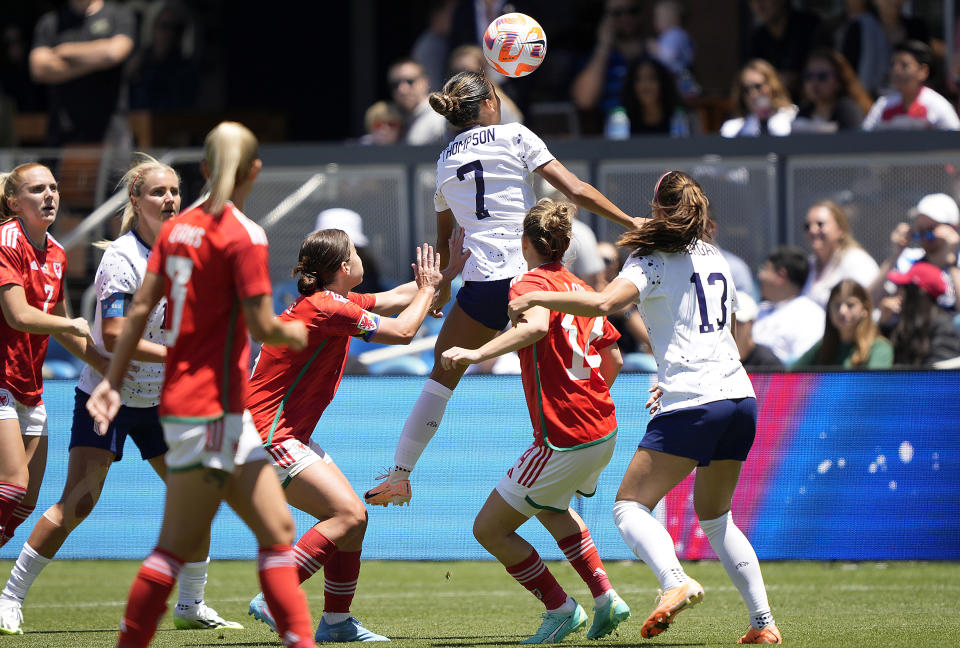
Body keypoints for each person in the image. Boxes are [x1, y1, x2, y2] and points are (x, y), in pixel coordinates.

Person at [506, 171, 781, 644]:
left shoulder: (650, 259)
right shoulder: (716, 258)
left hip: (694, 401)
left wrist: (535, 294)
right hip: (739, 397)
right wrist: (669, 379)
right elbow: (720, 332)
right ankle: (763, 624)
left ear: (658, 210)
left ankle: (674, 583)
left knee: (630, 507)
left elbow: (599, 303)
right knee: (717, 518)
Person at [85, 122, 317, 648]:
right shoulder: (244, 234)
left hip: (207, 409)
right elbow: (263, 326)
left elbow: (141, 307)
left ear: (205, 170)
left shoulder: (176, 231)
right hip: (211, 408)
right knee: (176, 544)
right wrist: (295, 329)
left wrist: (112, 382)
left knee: (277, 533)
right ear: (254, 171)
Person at [363, 70, 638, 507]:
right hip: (531, 279)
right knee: (602, 357)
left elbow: (444, 240)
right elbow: (576, 190)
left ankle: (399, 475)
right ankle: (585, 464)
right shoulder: (515, 136)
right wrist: (630, 222)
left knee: (440, 379)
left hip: (480, 285)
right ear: (490, 103)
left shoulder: (444, 162)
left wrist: (443, 290)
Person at [0, 157, 243, 636]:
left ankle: (191, 604)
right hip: (108, 399)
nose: (170, 200)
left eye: (174, 191)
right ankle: (10, 599)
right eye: (158, 192)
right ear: (135, 201)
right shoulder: (123, 259)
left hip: (159, 400)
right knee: (78, 503)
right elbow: (112, 336)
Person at [246, 230, 466, 642]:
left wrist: (446, 275)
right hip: (268, 435)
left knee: (355, 522)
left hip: (281, 433)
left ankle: (336, 623)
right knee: (346, 516)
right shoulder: (328, 307)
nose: (361, 255)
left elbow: (399, 298)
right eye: (354, 252)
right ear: (345, 268)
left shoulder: (333, 302)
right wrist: (429, 293)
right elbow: (403, 331)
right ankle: (275, 594)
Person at [440, 199, 630, 643]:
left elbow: (537, 327)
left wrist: (474, 353)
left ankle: (561, 609)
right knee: (552, 507)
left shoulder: (529, 283)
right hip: (602, 427)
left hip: (563, 434)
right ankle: (606, 598)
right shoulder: (579, 287)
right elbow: (614, 358)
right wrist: (589, 398)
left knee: (488, 528)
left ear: (526, 242)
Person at [0, 162, 108, 573]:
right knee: (11, 486)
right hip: (1, 382)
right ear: (13, 201)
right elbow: (18, 315)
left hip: (29, 387)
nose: (49, 195)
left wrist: (108, 365)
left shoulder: (58, 252)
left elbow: (63, 329)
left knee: (24, 504)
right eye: (37, 189)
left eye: (53, 188)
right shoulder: (6, 240)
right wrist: (70, 322)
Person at [29, 0, 135, 146]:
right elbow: (38, 69)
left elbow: (114, 53)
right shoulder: (50, 22)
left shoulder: (118, 14)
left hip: (109, 130)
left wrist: (65, 51)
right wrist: (98, 62)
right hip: (64, 130)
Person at [871, 193, 960, 313]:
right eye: (920, 230)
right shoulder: (908, 260)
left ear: (953, 228)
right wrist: (896, 254)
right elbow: (869, 302)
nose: (924, 236)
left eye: (931, 229)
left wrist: (951, 262)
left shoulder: (957, 264)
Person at [571, 0, 646, 131]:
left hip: (655, 134)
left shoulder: (658, 51)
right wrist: (604, 45)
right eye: (617, 13)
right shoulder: (596, 58)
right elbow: (585, 100)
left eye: (633, 11)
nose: (626, 18)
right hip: (611, 136)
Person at [792, 280, 893, 368]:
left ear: (865, 309)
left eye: (850, 305)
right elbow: (789, 376)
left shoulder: (879, 347)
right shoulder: (824, 345)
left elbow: (874, 387)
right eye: (837, 305)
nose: (842, 311)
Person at [862, 40, 960, 131]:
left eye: (904, 65)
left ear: (923, 71)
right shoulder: (883, 105)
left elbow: (955, 139)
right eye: (893, 65)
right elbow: (864, 138)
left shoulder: (937, 105)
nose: (896, 71)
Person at [753, 245, 826, 364]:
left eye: (765, 269)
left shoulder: (810, 315)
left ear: (781, 275)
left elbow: (805, 366)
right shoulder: (760, 309)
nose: (760, 275)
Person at [800, 200, 879, 308]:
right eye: (807, 226)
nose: (812, 230)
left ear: (841, 230)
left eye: (820, 224)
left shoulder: (856, 260)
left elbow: (867, 303)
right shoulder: (809, 265)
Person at [885, 262, 960, 366]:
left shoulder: (943, 327)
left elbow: (938, 376)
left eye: (903, 288)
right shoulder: (901, 323)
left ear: (919, 294)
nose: (898, 294)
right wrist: (883, 322)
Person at [744, 0, 821, 97]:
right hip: (773, 103)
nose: (759, 5)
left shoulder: (809, 26)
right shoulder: (758, 37)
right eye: (753, 1)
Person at [792, 49, 873, 133]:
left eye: (822, 76)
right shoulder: (804, 111)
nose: (814, 83)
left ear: (839, 80)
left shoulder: (848, 109)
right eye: (808, 76)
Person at [447, 44, 523, 125]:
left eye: (471, 73)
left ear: (483, 74)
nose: (463, 79)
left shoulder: (500, 106)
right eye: (457, 72)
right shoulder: (445, 107)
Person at [721, 59, 797, 137]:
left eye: (758, 86)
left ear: (773, 85)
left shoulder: (794, 118)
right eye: (746, 89)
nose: (753, 94)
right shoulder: (733, 130)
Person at [314, 209, 383, 294]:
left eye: (347, 250)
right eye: (329, 250)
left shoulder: (372, 286)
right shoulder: (305, 294)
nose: (339, 258)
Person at [388, 58, 448, 145]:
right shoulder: (392, 118)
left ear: (425, 82)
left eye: (410, 81)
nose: (402, 89)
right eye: (395, 85)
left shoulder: (442, 114)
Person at [621, 56, 685, 136]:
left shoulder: (681, 117)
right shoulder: (621, 120)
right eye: (638, 79)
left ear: (663, 83)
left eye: (652, 78)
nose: (645, 85)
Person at [731, 293, 784, 371]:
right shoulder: (714, 360)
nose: (732, 328)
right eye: (727, 323)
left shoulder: (769, 363)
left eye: (738, 322)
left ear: (752, 323)